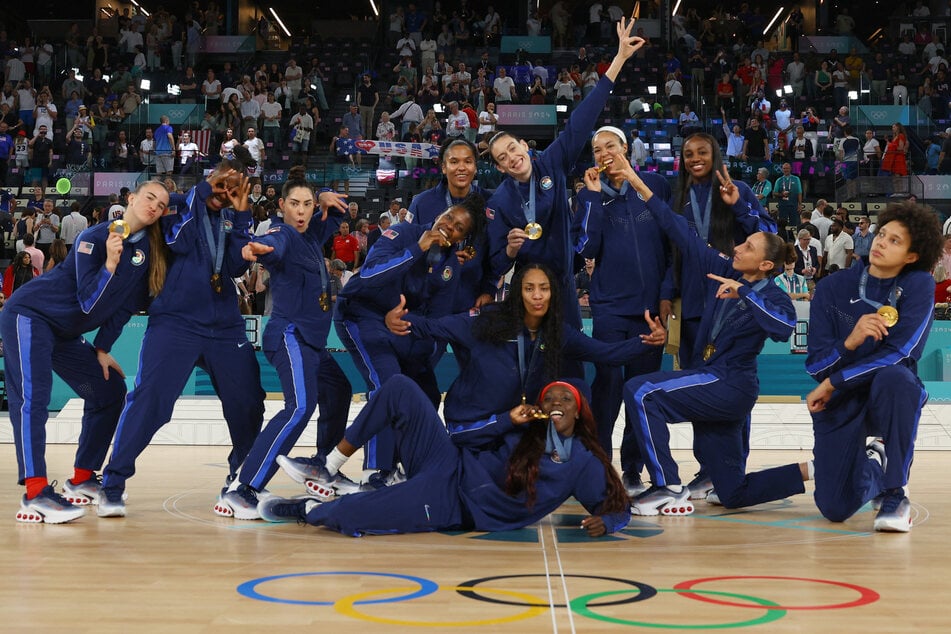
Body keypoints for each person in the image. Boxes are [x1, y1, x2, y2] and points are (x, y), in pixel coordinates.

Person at [620, 166, 807, 515]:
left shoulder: (771, 295)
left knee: (641, 390)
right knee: (732, 492)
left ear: (766, 265)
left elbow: (783, 327)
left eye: (748, 246)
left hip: (730, 382)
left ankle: (667, 486)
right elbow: (679, 230)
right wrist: (635, 179)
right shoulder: (722, 268)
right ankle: (815, 470)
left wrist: (745, 292)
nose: (738, 246)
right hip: (719, 386)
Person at [99, 151, 266, 517]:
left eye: (234, 187)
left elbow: (237, 264)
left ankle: (240, 477)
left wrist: (241, 213)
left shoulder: (229, 216)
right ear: (212, 177)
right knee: (150, 402)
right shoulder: (175, 205)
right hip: (176, 323)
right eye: (223, 183)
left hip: (225, 325)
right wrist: (206, 189)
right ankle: (112, 483)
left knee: (249, 401)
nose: (226, 192)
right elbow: (180, 242)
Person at [262, 375, 632, 537]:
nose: (555, 403)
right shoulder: (526, 428)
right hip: (447, 462)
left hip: (454, 504)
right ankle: (329, 466)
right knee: (399, 388)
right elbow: (461, 437)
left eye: (565, 399)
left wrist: (609, 523)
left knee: (352, 516)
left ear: (579, 411)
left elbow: (616, 507)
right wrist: (507, 419)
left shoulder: (582, 460)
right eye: (550, 397)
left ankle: (306, 510)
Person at [1, 181, 170, 523]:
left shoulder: (145, 255)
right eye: (149, 197)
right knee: (33, 397)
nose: (155, 206)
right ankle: (34, 492)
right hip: (30, 316)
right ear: (131, 199)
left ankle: (81, 478)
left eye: (163, 205)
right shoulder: (93, 238)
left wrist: (103, 347)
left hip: (64, 334)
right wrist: (109, 265)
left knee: (109, 391)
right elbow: (87, 299)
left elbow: (123, 308)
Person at [486, 19, 645, 332]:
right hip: (528, 286)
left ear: (523, 145)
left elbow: (582, 119)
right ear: (501, 168)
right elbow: (495, 264)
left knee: (570, 362)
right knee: (530, 365)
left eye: (512, 149)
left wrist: (619, 60)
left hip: (561, 284)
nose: (512, 158)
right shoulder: (502, 199)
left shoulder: (551, 163)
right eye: (502, 158)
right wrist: (510, 249)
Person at [212, 169, 353, 519]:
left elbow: (339, 210)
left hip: (311, 342)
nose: (302, 211)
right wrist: (260, 249)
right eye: (295, 204)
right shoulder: (284, 232)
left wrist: (322, 194)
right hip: (289, 335)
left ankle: (322, 467)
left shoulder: (311, 232)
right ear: (282, 206)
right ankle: (244, 487)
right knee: (299, 407)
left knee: (338, 389)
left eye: (307, 204)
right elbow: (274, 245)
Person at [806, 202, 944, 532]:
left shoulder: (918, 285)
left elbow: (901, 353)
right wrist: (849, 343)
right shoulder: (831, 287)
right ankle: (875, 466)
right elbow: (814, 366)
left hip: (887, 393)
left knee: (898, 378)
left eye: (895, 240)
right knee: (834, 508)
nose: (881, 242)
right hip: (842, 400)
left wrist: (832, 382)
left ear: (912, 256)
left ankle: (895, 492)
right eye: (882, 234)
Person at [333, 194, 488, 479]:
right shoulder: (404, 232)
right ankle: (378, 472)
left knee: (426, 393)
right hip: (359, 313)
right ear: (441, 213)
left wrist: (402, 322)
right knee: (386, 385)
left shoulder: (450, 268)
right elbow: (368, 275)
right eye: (450, 217)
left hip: (397, 324)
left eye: (459, 229)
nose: (449, 226)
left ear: (460, 240)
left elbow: (436, 322)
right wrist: (417, 249)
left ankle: (410, 465)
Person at [570, 126, 672, 494]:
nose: (603, 153)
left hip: (650, 312)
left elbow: (673, 239)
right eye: (597, 149)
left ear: (627, 148)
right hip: (610, 308)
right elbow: (586, 248)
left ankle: (632, 468)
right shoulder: (587, 196)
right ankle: (599, 463)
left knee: (639, 389)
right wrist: (594, 199)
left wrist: (667, 295)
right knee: (608, 386)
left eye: (610, 146)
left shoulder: (656, 185)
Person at [408, 138, 493, 313]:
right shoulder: (421, 203)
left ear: (475, 167)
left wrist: (489, 289)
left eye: (468, 161)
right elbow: (409, 248)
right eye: (454, 162)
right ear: (444, 167)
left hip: (473, 299)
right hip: (429, 299)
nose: (461, 168)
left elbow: (495, 251)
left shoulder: (490, 203)